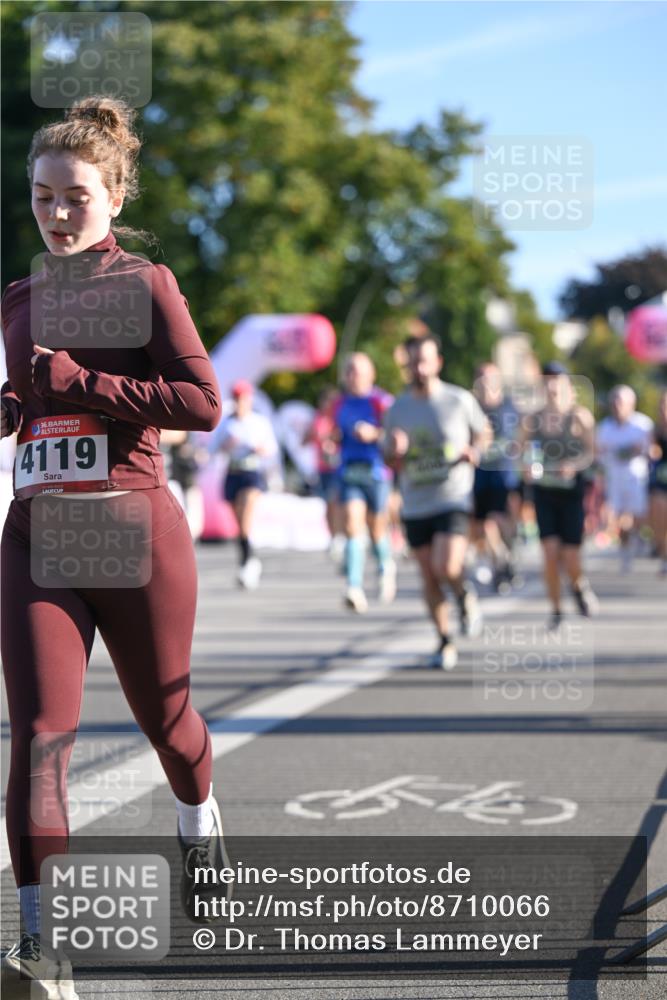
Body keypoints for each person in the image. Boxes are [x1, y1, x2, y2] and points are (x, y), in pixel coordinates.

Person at [0, 97, 228, 998]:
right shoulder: (16, 299)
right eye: (41, 196)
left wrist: (81, 381)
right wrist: (17, 408)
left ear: (114, 195)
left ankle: (198, 816)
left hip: (132, 528)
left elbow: (202, 406)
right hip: (38, 534)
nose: (57, 214)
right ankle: (41, 945)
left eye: (76, 197)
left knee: (166, 723)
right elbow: (27, 405)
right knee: (39, 739)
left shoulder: (145, 284)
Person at [384, 334, 490, 669]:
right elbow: (387, 458)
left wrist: (475, 451)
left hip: (452, 495)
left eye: (424, 360)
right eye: (413, 361)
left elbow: (483, 431)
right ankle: (444, 640)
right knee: (429, 577)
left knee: (447, 566)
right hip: (415, 500)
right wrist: (394, 450)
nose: (419, 366)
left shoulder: (458, 400)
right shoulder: (398, 409)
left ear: (438, 362)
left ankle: (463, 594)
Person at [518, 362, 598, 630]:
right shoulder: (532, 420)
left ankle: (579, 586)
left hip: (571, 494)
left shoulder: (579, 416)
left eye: (557, 380)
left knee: (571, 558)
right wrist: (526, 467)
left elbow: (592, 452)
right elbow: (519, 451)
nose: (552, 386)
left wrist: (573, 465)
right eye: (547, 380)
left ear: (567, 385)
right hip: (544, 493)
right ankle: (556, 609)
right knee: (550, 554)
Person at [334, 353, 396, 613]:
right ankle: (354, 586)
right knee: (351, 524)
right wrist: (331, 442)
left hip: (377, 472)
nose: (352, 376)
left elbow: (396, 434)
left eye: (357, 371)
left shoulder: (381, 401)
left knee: (377, 528)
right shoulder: (340, 404)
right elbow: (335, 433)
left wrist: (374, 434)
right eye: (349, 371)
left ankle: (385, 566)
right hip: (350, 471)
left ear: (371, 375)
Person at [219, 379, 278, 589]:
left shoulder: (259, 422)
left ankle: (246, 564)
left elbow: (272, 448)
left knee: (245, 518)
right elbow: (213, 449)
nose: (239, 402)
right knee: (239, 524)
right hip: (233, 471)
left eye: (242, 398)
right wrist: (227, 445)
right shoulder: (227, 423)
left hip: (252, 472)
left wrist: (260, 448)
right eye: (236, 398)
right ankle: (250, 558)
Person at [471, 362, 521, 592]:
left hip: (504, 473)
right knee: (484, 523)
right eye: (481, 377)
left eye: (489, 377)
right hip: (479, 473)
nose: (485, 382)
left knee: (499, 521)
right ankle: (501, 563)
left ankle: (506, 561)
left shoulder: (510, 407)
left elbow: (521, 438)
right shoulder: (471, 408)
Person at [596, 384, 653, 572]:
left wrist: (641, 450)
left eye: (620, 402)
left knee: (635, 517)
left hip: (637, 479)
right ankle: (626, 550)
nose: (617, 405)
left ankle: (639, 538)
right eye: (614, 402)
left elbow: (652, 452)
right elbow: (599, 454)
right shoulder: (605, 427)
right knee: (620, 517)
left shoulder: (643, 425)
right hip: (615, 478)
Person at [306, 386, 345, 563]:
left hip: (338, 467)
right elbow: (305, 439)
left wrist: (333, 438)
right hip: (323, 468)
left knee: (337, 502)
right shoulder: (317, 420)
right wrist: (313, 435)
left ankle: (340, 536)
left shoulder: (338, 419)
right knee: (328, 504)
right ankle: (333, 536)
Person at [648, 389, 667, 576]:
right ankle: (664, 555)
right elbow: (653, 449)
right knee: (660, 514)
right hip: (660, 480)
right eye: (661, 405)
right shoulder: (656, 430)